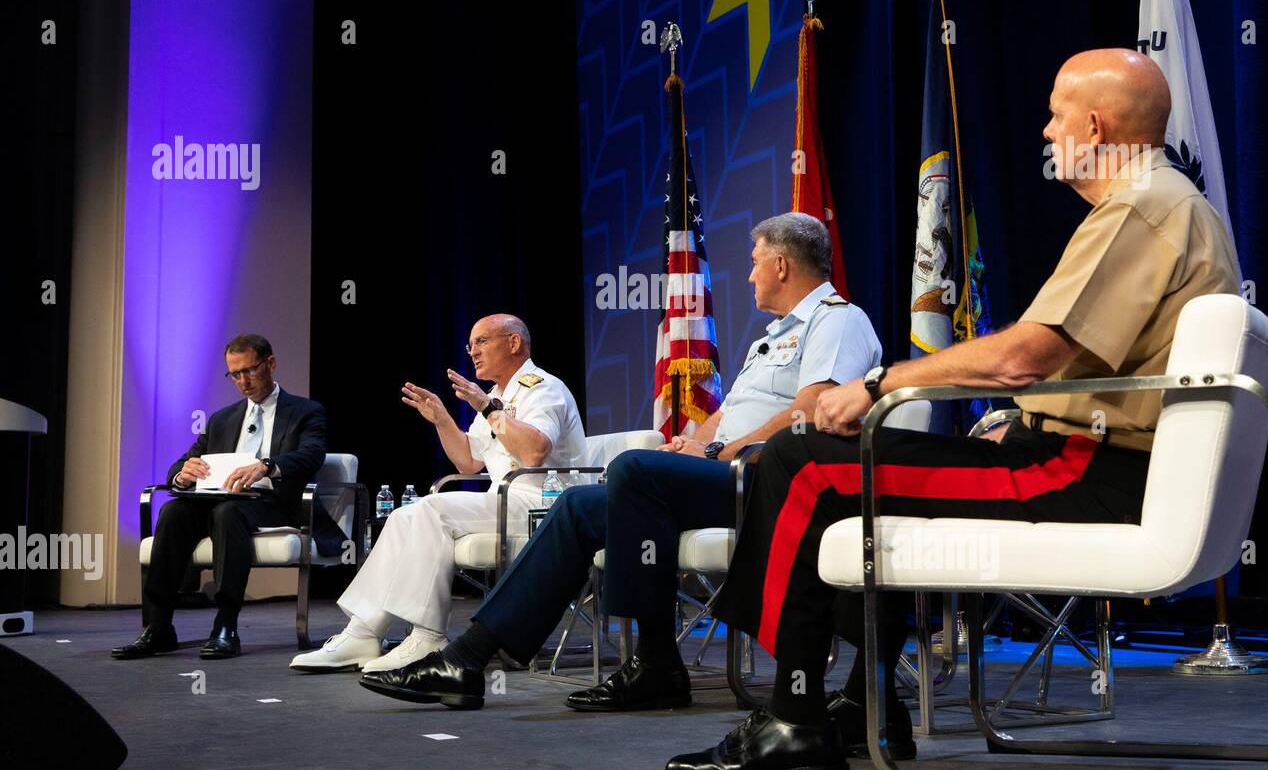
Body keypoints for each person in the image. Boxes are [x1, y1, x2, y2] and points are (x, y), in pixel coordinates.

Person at [663, 48, 1242, 770]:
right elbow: (1090, 367)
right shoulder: (1169, 202)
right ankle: (865, 702)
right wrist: (1026, 419)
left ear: (1094, 126)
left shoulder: (1140, 205)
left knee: (802, 463)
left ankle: (793, 716)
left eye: (1057, 113)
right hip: (1082, 460)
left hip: (1084, 476)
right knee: (848, 471)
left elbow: (1022, 358)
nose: (1045, 129)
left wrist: (879, 384)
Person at [357, 212, 882, 710]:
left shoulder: (839, 321)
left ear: (782, 265)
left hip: (773, 481)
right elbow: (723, 417)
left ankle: (654, 664)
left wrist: (717, 451)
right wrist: (696, 442)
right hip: (731, 472)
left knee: (634, 467)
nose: (748, 276)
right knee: (581, 507)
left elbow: (812, 411)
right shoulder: (771, 338)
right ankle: (470, 660)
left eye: (753, 262)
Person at [290, 314, 585, 673]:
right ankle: (363, 632)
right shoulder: (495, 396)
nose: (473, 352)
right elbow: (469, 462)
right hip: (505, 499)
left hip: (547, 506)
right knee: (404, 515)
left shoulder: (542, 388)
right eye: (470, 345)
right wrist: (443, 419)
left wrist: (486, 408)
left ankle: (428, 636)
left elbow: (534, 452)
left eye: (482, 342)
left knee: (431, 510)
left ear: (513, 343)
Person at [112, 334, 332, 661]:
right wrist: (181, 474)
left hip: (273, 504)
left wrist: (268, 467)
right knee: (174, 512)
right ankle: (158, 627)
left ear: (270, 364)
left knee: (228, 514)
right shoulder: (222, 419)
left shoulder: (304, 411)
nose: (242, 381)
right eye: (234, 374)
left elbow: (312, 454)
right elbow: (185, 460)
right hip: (218, 501)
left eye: (250, 371)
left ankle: (225, 626)